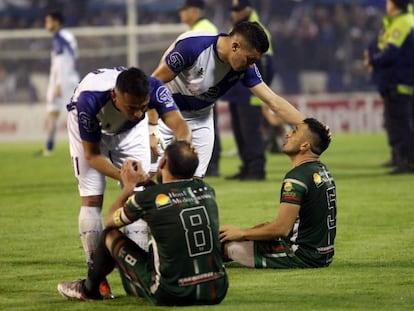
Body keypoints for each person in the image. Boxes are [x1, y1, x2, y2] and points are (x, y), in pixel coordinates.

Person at [66, 66, 191, 296]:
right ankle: (97, 279)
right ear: (115, 95)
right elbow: (93, 156)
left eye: (143, 107)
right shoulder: (89, 102)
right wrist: (125, 177)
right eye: (132, 108)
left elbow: (182, 128)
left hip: (130, 133)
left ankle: (138, 277)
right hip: (93, 130)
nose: (137, 113)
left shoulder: (153, 87)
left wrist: (173, 156)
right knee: (92, 199)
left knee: (138, 197)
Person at [57, 140, 229, 306]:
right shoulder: (206, 190)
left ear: (163, 161)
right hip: (216, 290)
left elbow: (110, 221)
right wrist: (147, 182)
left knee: (108, 236)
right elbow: (170, 200)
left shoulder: (148, 198)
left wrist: (128, 187)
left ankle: (88, 290)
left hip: (171, 292)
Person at [150, 21, 305, 178]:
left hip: (200, 117)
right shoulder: (192, 47)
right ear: (235, 46)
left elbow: (274, 101)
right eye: (250, 59)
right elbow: (152, 85)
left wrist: (309, 125)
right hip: (166, 113)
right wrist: (151, 129)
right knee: (147, 175)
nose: (251, 65)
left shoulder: (246, 68)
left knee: (194, 182)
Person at [220, 118, 336, 269]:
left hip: (301, 255)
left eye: (294, 132)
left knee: (224, 247)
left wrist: (241, 233)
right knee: (247, 234)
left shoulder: (296, 178)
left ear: (305, 145)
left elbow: (281, 229)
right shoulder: (321, 170)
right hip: (322, 253)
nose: (288, 133)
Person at [223, 0, 275, 181]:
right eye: (233, 9)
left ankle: (257, 169)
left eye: (238, 10)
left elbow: (268, 67)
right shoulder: (238, 30)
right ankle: (246, 167)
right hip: (236, 92)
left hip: (251, 93)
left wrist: (263, 95)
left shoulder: (258, 32)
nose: (234, 13)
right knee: (240, 132)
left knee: (251, 132)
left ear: (248, 9)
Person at [364, 0, 414, 174]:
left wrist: (372, 61)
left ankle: (407, 162)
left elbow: (390, 53)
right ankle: (401, 159)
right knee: (396, 123)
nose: (387, 4)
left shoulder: (404, 22)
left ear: (394, 4)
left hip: (400, 81)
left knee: (401, 125)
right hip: (395, 81)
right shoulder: (397, 22)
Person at [178, 0, 222, 177]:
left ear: (194, 11)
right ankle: (208, 164)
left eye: (184, 10)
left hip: (204, 89)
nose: (181, 13)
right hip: (199, 89)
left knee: (207, 125)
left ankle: (211, 165)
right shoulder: (200, 27)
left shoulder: (204, 28)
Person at [37, 11, 79, 156]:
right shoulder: (67, 36)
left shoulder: (60, 37)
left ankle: (51, 148)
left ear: (56, 22)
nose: (46, 24)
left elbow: (62, 62)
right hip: (67, 78)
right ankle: (49, 148)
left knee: (71, 114)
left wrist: (59, 84)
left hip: (63, 80)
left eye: (48, 21)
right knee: (58, 113)